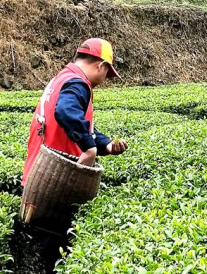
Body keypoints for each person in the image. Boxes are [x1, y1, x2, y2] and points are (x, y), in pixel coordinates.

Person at [23, 37, 130, 180]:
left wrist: (105, 144)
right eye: (107, 72)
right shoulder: (77, 83)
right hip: (54, 180)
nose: (105, 78)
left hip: (38, 175)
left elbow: (74, 124)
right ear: (101, 66)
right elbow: (65, 111)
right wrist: (89, 148)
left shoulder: (61, 79)